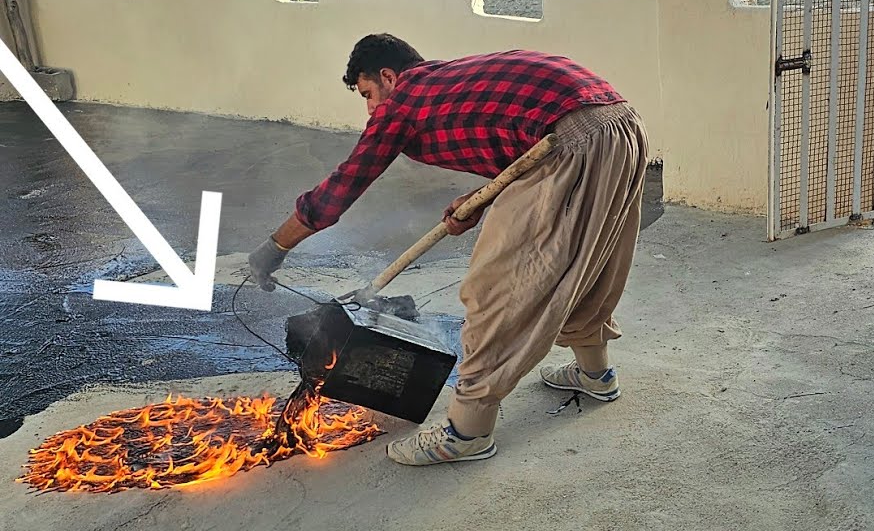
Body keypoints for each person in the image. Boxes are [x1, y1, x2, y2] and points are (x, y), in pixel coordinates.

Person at [247, 33, 649, 464]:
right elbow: (524, 146)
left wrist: (275, 246)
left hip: (572, 143)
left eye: (367, 94)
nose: (369, 109)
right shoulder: (448, 82)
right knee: (587, 266)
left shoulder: (404, 99)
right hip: (620, 126)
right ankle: (595, 374)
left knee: (496, 287)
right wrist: (484, 198)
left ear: (388, 76)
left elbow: (343, 187)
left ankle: (467, 431)